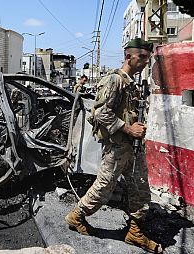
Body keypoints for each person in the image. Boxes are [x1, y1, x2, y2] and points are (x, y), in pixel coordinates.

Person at [64, 38, 162, 253]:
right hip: (117, 148)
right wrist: (129, 129)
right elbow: (100, 112)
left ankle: (135, 233)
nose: (146, 62)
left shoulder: (130, 82)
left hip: (132, 148)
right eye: (142, 57)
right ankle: (76, 216)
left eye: (148, 58)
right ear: (129, 56)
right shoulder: (113, 80)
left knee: (141, 189)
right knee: (103, 188)